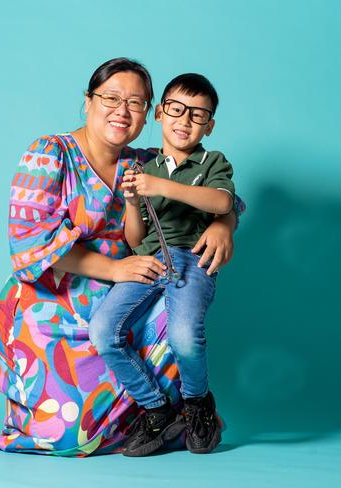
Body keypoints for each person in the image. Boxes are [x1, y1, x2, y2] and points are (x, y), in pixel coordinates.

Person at [0, 58, 243, 456]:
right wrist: (112, 267)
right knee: (66, 435)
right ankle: (153, 417)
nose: (122, 110)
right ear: (88, 101)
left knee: (180, 314)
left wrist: (223, 224)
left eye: (136, 102)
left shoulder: (142, 162)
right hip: (54, 299)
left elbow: (213, 196)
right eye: (111, 97)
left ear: (149, 113)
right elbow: (26, 246)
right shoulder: (49, 153)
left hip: (129, 287)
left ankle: (180, 413)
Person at [89, 73, 233, 457]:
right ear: (159, 114)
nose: (184, 120)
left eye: (197, 115)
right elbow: (136, 240)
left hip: (193, 260)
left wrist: (161, 188)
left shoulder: (212, 162)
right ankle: (155, 408)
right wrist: (135, 202)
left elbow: (222, 204)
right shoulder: (144, 167)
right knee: (103, 331)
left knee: (184, 336)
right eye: (176, 109)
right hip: (149, 259)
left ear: (209, 125)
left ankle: (197, 403)